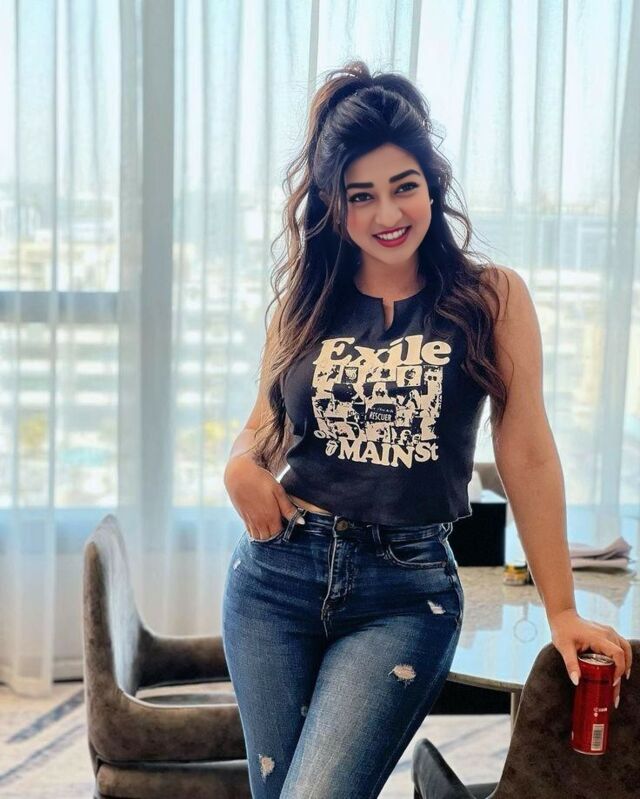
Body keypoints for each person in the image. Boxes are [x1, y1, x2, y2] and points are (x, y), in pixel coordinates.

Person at [221, 60, 632, 799]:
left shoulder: (489, 297)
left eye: (403, 185)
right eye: (361, 195)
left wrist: (561, 607)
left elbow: (527, 451)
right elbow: (267, 426)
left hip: (404, 592)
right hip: (275, 580)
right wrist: (239, 467)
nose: (388, 212)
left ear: (432, 185)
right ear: (334, 204)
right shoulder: (306, 302)